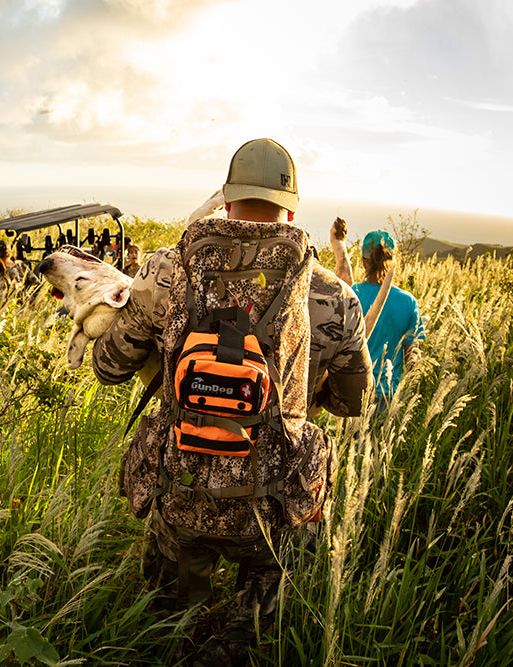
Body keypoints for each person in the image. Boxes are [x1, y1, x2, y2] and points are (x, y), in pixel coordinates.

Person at [93, 138, 372, 665]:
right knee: (261, 635)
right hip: (270, 504)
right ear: (291, 208)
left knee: (162, 627)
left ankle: (176, 638)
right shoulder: (334, 297)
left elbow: (108, 367)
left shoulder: (163, 272)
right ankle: (241, 638)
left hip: (182, 488)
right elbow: (352, 400)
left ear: (225, 198)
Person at [352, 230, 425, 406]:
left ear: (363, 261)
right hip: (388, 396)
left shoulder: (353, 294)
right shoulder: (408, 302)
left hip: (353, 392)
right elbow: (412, 359)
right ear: (392, 261)